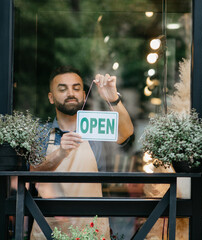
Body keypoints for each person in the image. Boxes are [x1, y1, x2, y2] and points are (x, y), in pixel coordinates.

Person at [29, 66, 134, 239]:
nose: (70, 93)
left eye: (76, 88)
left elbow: (126, 132)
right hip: (49, 230)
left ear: (84, 95)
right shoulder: (41, 133)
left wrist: (113, 99)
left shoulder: (96, 129)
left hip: (91, 229)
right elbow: (32, 173)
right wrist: (60, 152)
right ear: (51, 97)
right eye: (62, 89)